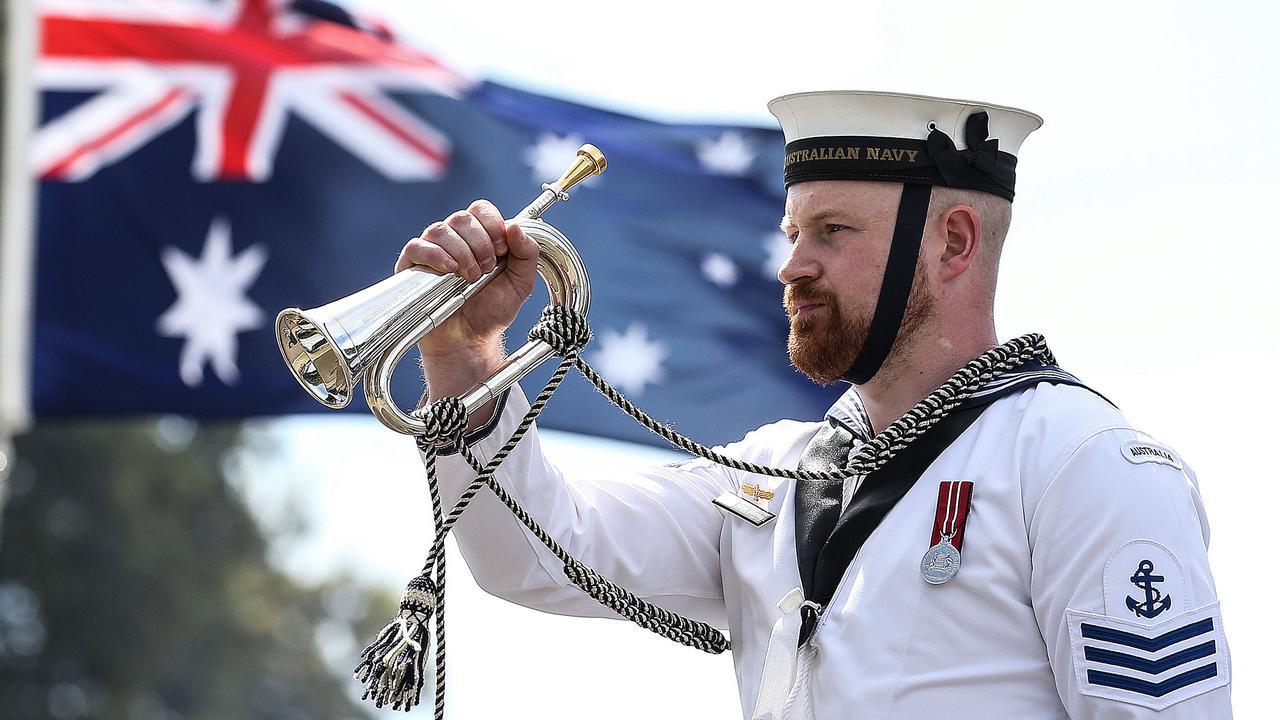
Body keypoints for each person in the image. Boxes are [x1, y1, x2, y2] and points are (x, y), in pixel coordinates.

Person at [393, 91, 1232, 718]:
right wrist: (463, 358)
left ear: (953, 243)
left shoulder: (1081, 464)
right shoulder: (774, 472)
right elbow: (536, 558)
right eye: (793, 234)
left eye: (833, 232)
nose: (792, 265)